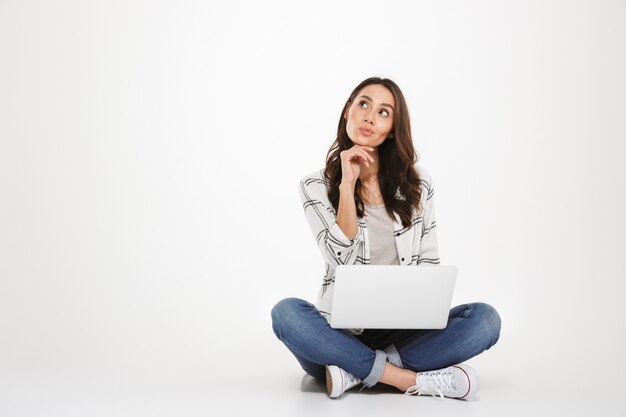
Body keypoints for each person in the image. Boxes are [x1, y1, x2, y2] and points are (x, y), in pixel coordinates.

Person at [271, 77, 501, 400]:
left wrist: (421, 308)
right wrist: (347, 186)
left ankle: (355, 372)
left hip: (404, 332)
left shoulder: (418, 185)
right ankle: (406, 378)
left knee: (486, 320)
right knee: (285, 314)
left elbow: (429, 267)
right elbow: (341, 261)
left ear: (393, 128)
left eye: (383, 112)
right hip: (340, 333)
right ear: (347, 111)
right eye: (363, 104)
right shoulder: (315, 185)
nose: (369, 116)